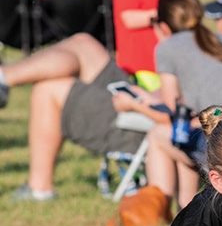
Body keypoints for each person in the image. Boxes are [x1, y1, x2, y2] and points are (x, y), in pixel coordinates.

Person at [0, 32, 169, 198]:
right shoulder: (187, 46)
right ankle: (3, 77)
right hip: (147, 101)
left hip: (144, 122)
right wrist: (148, 95)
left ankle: (39, 189)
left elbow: (177, 117)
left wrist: (136, 104)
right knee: (85, 44)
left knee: (48, 89)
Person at [146, 0, 222, 210]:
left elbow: (172, 111)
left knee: (160, 135)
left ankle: (157, 210)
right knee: (188, 136)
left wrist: (134, 102)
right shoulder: (220, 39)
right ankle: (187, 207)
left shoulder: (166, 47)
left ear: (164, 26)